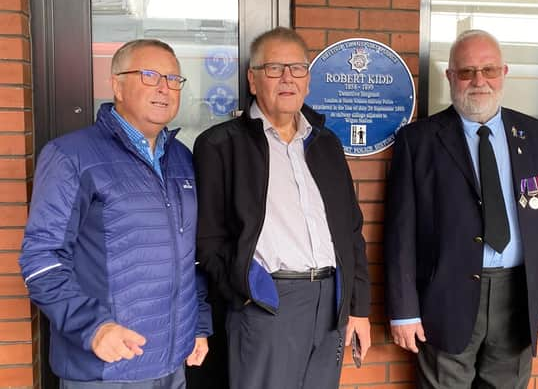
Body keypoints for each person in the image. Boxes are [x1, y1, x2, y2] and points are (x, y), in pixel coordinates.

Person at [384, 29, 538, 388]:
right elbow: (400, 234)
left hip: (517, 296)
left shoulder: (536, 136)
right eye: (467, 71)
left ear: (504, 72)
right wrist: (403, 311)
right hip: (445, 295)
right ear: (450, 76)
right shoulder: (419, 140)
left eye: (488, 70)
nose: (479, 81)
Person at [19, 39, 212, 388]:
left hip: (172, 363)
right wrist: (92, 327)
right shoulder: (71, 156)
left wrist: (197, 324)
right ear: (117, 85)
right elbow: (42, 259)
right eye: (150, 75)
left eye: (173, 79)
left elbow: (190, 257)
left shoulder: (182, 158)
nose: (164, 88)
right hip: (106, 367)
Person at [193, 27, 371, 389]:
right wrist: (243, 291)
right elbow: (208, 239)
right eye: (274, 68)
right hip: (267, 302)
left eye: (297, 68)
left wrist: (357, 307)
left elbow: (351, 231)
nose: (287, 78)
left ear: (308, 80)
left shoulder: (326, 144)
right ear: (253, 79)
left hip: (330, 304)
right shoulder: (220, 145)